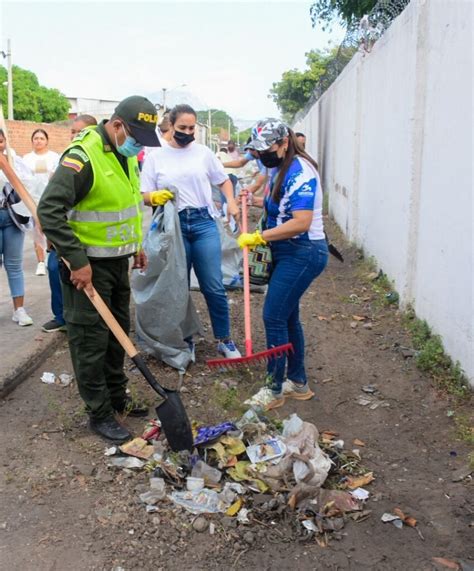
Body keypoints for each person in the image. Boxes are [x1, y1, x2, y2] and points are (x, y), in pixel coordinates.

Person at [38, 95, 161, 443]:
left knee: (116, 334)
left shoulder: (126, 156)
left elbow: (127, 203)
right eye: (135, 135)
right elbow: (49, 211)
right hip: (86, 270)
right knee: (90, 341)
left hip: (116, 265)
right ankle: (99, 412)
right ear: (118, 125)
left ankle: (117, 396)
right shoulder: (83, 156)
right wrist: (77, 262)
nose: (138, 145)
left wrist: (135, 246)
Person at [238, 119, 328, 410]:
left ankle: (274, 389)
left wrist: (258, 236)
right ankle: (298, 383)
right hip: (286, 250)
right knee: (287, 317)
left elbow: (300, 222)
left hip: (303, 251)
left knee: (274, 316)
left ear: (284, 143)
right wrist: (252, 200)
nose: (262, 155)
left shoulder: (301, 172)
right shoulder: (278, 166)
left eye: (267, 149)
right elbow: (278, 203)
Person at [141, 103, 242, 360]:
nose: (188, 132)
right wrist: (155, 196)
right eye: (182, 127)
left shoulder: (203, 153)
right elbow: (143, 196)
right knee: (178, 286)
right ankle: (185, 340)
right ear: (170, 127)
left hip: (203, 223)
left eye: (191, 127)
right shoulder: (156, 157)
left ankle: (224, 339)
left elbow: (223, 181)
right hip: (173, 227)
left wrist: (230, 201)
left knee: (213, 285)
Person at [42, 114, 98, 333]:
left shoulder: (90, 161)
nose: (75, 136)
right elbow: (52, 206)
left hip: (82, 240)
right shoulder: (67, 160)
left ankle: (78, 320)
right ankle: (61, 316)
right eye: (72, 132)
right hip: (62, 232)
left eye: (80, 132)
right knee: (54, 268)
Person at [0, 129, 34, 326]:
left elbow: (26, 184)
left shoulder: (14, 161)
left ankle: (19, 310)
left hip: (12, 218)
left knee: (14, 265)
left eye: (1, 141)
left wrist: (7, 166)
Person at [23, 129, 60, 276]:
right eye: (36, 138)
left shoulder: (54, 157)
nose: (38, 141)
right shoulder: (26, 158)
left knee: (51, 229)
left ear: (47, 141)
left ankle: (51, 253)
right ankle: (40, 261)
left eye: (41, 138)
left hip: (50, 199)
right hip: (33, 199)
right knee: (37, 230)